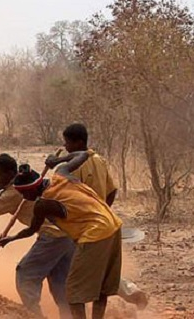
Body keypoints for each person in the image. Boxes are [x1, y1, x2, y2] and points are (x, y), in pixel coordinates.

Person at [0, 152, 123, 319]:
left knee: (73, 291)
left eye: (25, 194)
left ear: (31, 190)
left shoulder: (42, 205)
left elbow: (32, 228)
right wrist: (58, 160)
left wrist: (10, 239)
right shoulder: (61, 173)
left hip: (94, 235)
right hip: (113, 224)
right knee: (101, 288)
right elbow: (84, 154)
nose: (25, 198)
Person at [0, 154, 74, 319]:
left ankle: (34, 315)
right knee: (59, 283)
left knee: (25, 274)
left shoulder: (13, 193)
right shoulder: (24, 176)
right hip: (66, 235)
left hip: (52, 237)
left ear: (11, 172)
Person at [58, 123, 148, 309]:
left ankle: (129, 294)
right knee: (101, 268)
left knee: (83, 269)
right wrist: (103, 211)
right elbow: (112, 190)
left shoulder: (73, 167)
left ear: (79, 142)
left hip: (86, 226)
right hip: (103, 222)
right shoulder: (99, 159)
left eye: (67, 143)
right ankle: (131, 292)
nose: (65, 147)